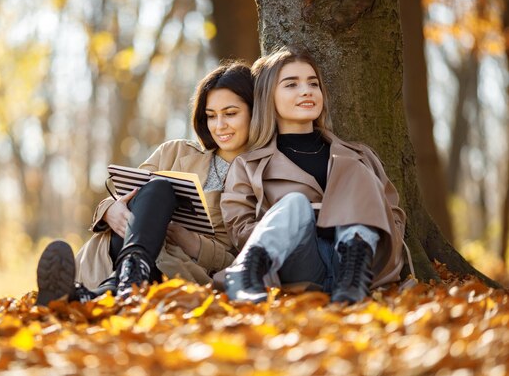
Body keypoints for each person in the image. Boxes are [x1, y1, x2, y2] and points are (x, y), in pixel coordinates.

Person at [35, 62, 254, 305]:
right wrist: (110, 210)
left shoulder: (258, 177)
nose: (219, 125)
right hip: (120, 246)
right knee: (158, 188)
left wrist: (193, 243)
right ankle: (126, 281)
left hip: (177, 266)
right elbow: (129, 192)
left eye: (230, 114)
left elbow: (245, 258)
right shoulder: (176, 151)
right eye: (211, 116)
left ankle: (94, 294)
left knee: (156, 221)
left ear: (254, 112)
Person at [220, 47, 408, 304]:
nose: (306, 91)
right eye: (291, 85)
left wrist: (349, 219)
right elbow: (240, 230)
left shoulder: (360, 156)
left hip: (361, 266)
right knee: (295, 203)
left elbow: (393, 217)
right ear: (268, 97)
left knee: (352, 169)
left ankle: (353, 283)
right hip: (299, 266)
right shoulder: (248, 165)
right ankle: (244, 274)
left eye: (313, 83)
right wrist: (313, 216)